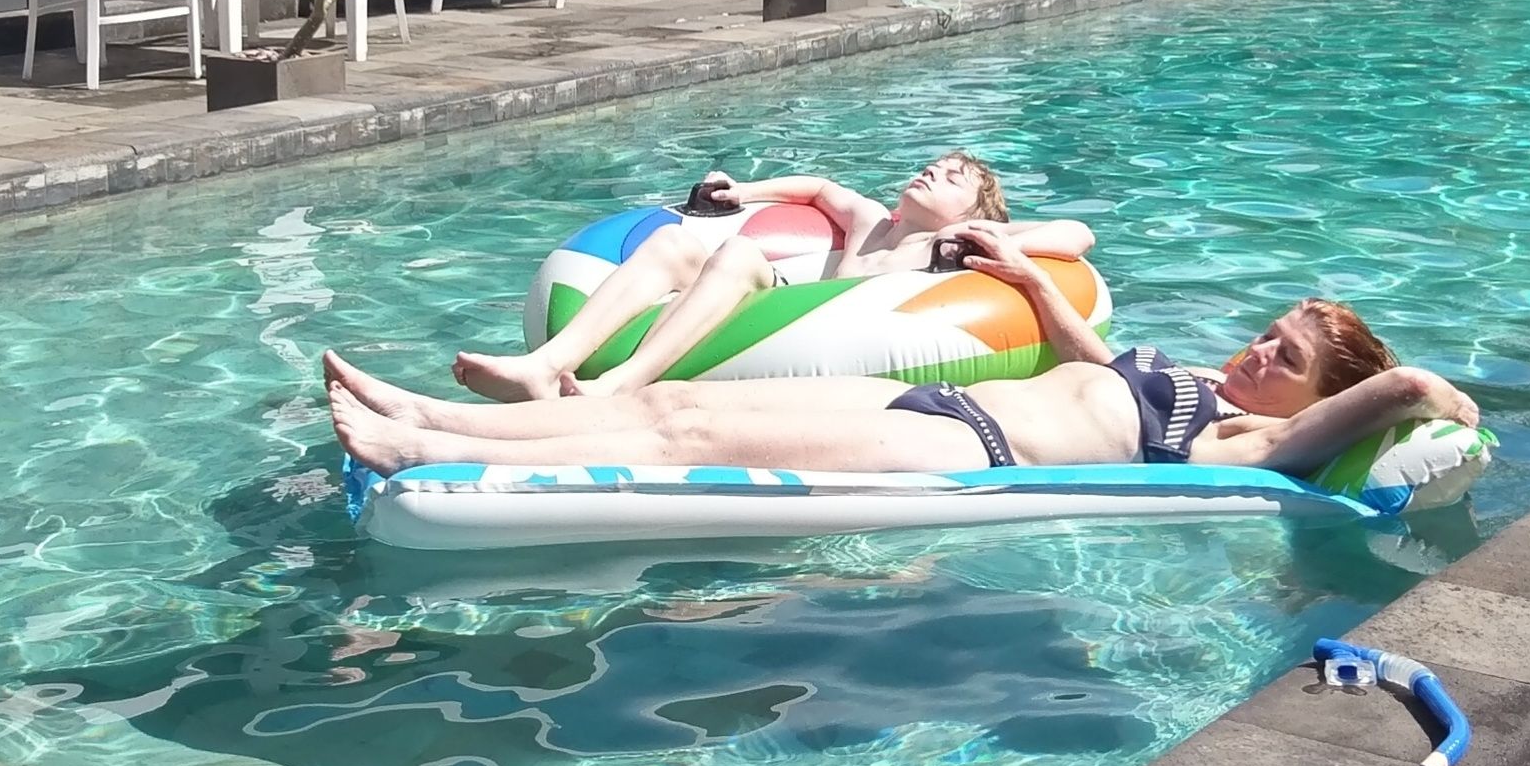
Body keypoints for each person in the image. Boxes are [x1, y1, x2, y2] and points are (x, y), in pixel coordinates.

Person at [343, 226, 1473, 479]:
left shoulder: (1246, 444)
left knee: (684, 428)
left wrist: (1410, 389)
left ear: (1315, 398)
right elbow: (1096, 358)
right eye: (1265, 334)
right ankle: (431, 417)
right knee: (676, 395)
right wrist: (1034, 284)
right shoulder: (1188, 386)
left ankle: (430, 446)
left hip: (972, 443)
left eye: (1283, 359)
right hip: (930, 401)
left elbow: (1315, 437)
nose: (1255, 356)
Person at [451, 151, 1096, 401]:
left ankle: (617, 384)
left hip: (824, 333)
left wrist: (991, 240)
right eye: (934, 164)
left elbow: (1078, 235)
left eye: (954, 178)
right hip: (786, 308)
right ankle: (547, 362)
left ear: (976, 210)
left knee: (733, 259)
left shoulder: (948, 247)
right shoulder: (873, 222)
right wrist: (743, 192)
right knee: (675, 243)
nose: (933, 172)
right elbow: (820, 188)